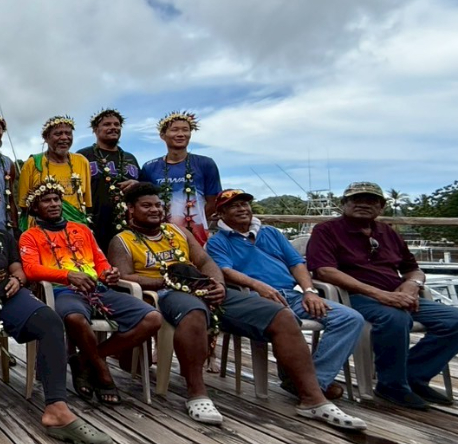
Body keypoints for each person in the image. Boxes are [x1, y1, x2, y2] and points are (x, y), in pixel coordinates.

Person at [108, 182, 365, 430]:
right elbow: (126, 277)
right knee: (193, 311)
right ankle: (197, 393)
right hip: (166, 293)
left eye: (157, 205)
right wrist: (171, 281)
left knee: (282, 315)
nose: (154, 210)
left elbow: (205, 262)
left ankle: (313, 399)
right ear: (131, 209)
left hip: (206, 288)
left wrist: (218, 284)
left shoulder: (177, 232)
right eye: (146, 206)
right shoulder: (122, 240)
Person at [0, 183, 113, 444]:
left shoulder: (4, 235)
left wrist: (17, 280)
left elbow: (17, 266)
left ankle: (57, 409)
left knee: (49, 320)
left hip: (6, 291)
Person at [308, 182, 458, 409]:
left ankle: (413, 375)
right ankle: (392, 384)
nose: (363, 204)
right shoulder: (326, 231)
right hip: (353, 297)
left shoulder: (387, 232)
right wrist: (381, 295)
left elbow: (413, 269)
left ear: (381, 207)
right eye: (356, 200)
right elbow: (324, 271)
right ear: (344, 204)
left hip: (397, 296)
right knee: (395, 318)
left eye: (371, 201)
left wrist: (412, 285)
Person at [206, 189, 362, 400]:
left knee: (350, 318)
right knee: (285, 320)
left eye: (244, 204)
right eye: (234, 206)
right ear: (221, 214)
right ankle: (305, 384)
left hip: (292, 295)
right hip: (255, 298)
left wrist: (309, 291)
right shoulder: (218, 241)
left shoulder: (271, 233)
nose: (242, 209)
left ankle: (314, 381)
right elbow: (225, 271)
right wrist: (259, 286)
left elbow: (296, 263)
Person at [19, 178, 161, 406]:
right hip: (63, 291)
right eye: (47, 201)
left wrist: (109, 274)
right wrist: (68, 275)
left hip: (99, 290)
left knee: (152, 318)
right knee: (74, 318)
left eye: (57, 199)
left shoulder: (82, 230)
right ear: (35, 208)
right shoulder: (30, 236)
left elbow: (101, 263)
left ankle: (85, 360)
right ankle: (103, 373)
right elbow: (31, 270)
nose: (54, 204)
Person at [141, 112, 222, 245]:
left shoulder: (205, 164)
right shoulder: (149, 168)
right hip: (160, 235)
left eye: (185, 130)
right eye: (174, 130)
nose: (180, 134)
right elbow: (144, 203)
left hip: (197, 234)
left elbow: (213, 202)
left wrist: (194, 222)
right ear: (162, 135)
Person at [77, 108, 142, 253]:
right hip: (94, 225)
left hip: (128, 227)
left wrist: (137, 185)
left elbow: (146, 191)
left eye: (116, 124)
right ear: (95, 130)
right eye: (107, 124)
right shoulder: (83, 156)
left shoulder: (130, 158)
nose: (113, 127)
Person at [15, 116, 93, 230]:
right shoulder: (32, 164)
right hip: (43, 229)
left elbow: (87, 202)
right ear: (46, 137)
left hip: (76, 228)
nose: (64, 137)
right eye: (58, 134)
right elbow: (25, 205)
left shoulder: (82, 161)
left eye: (68, 133)